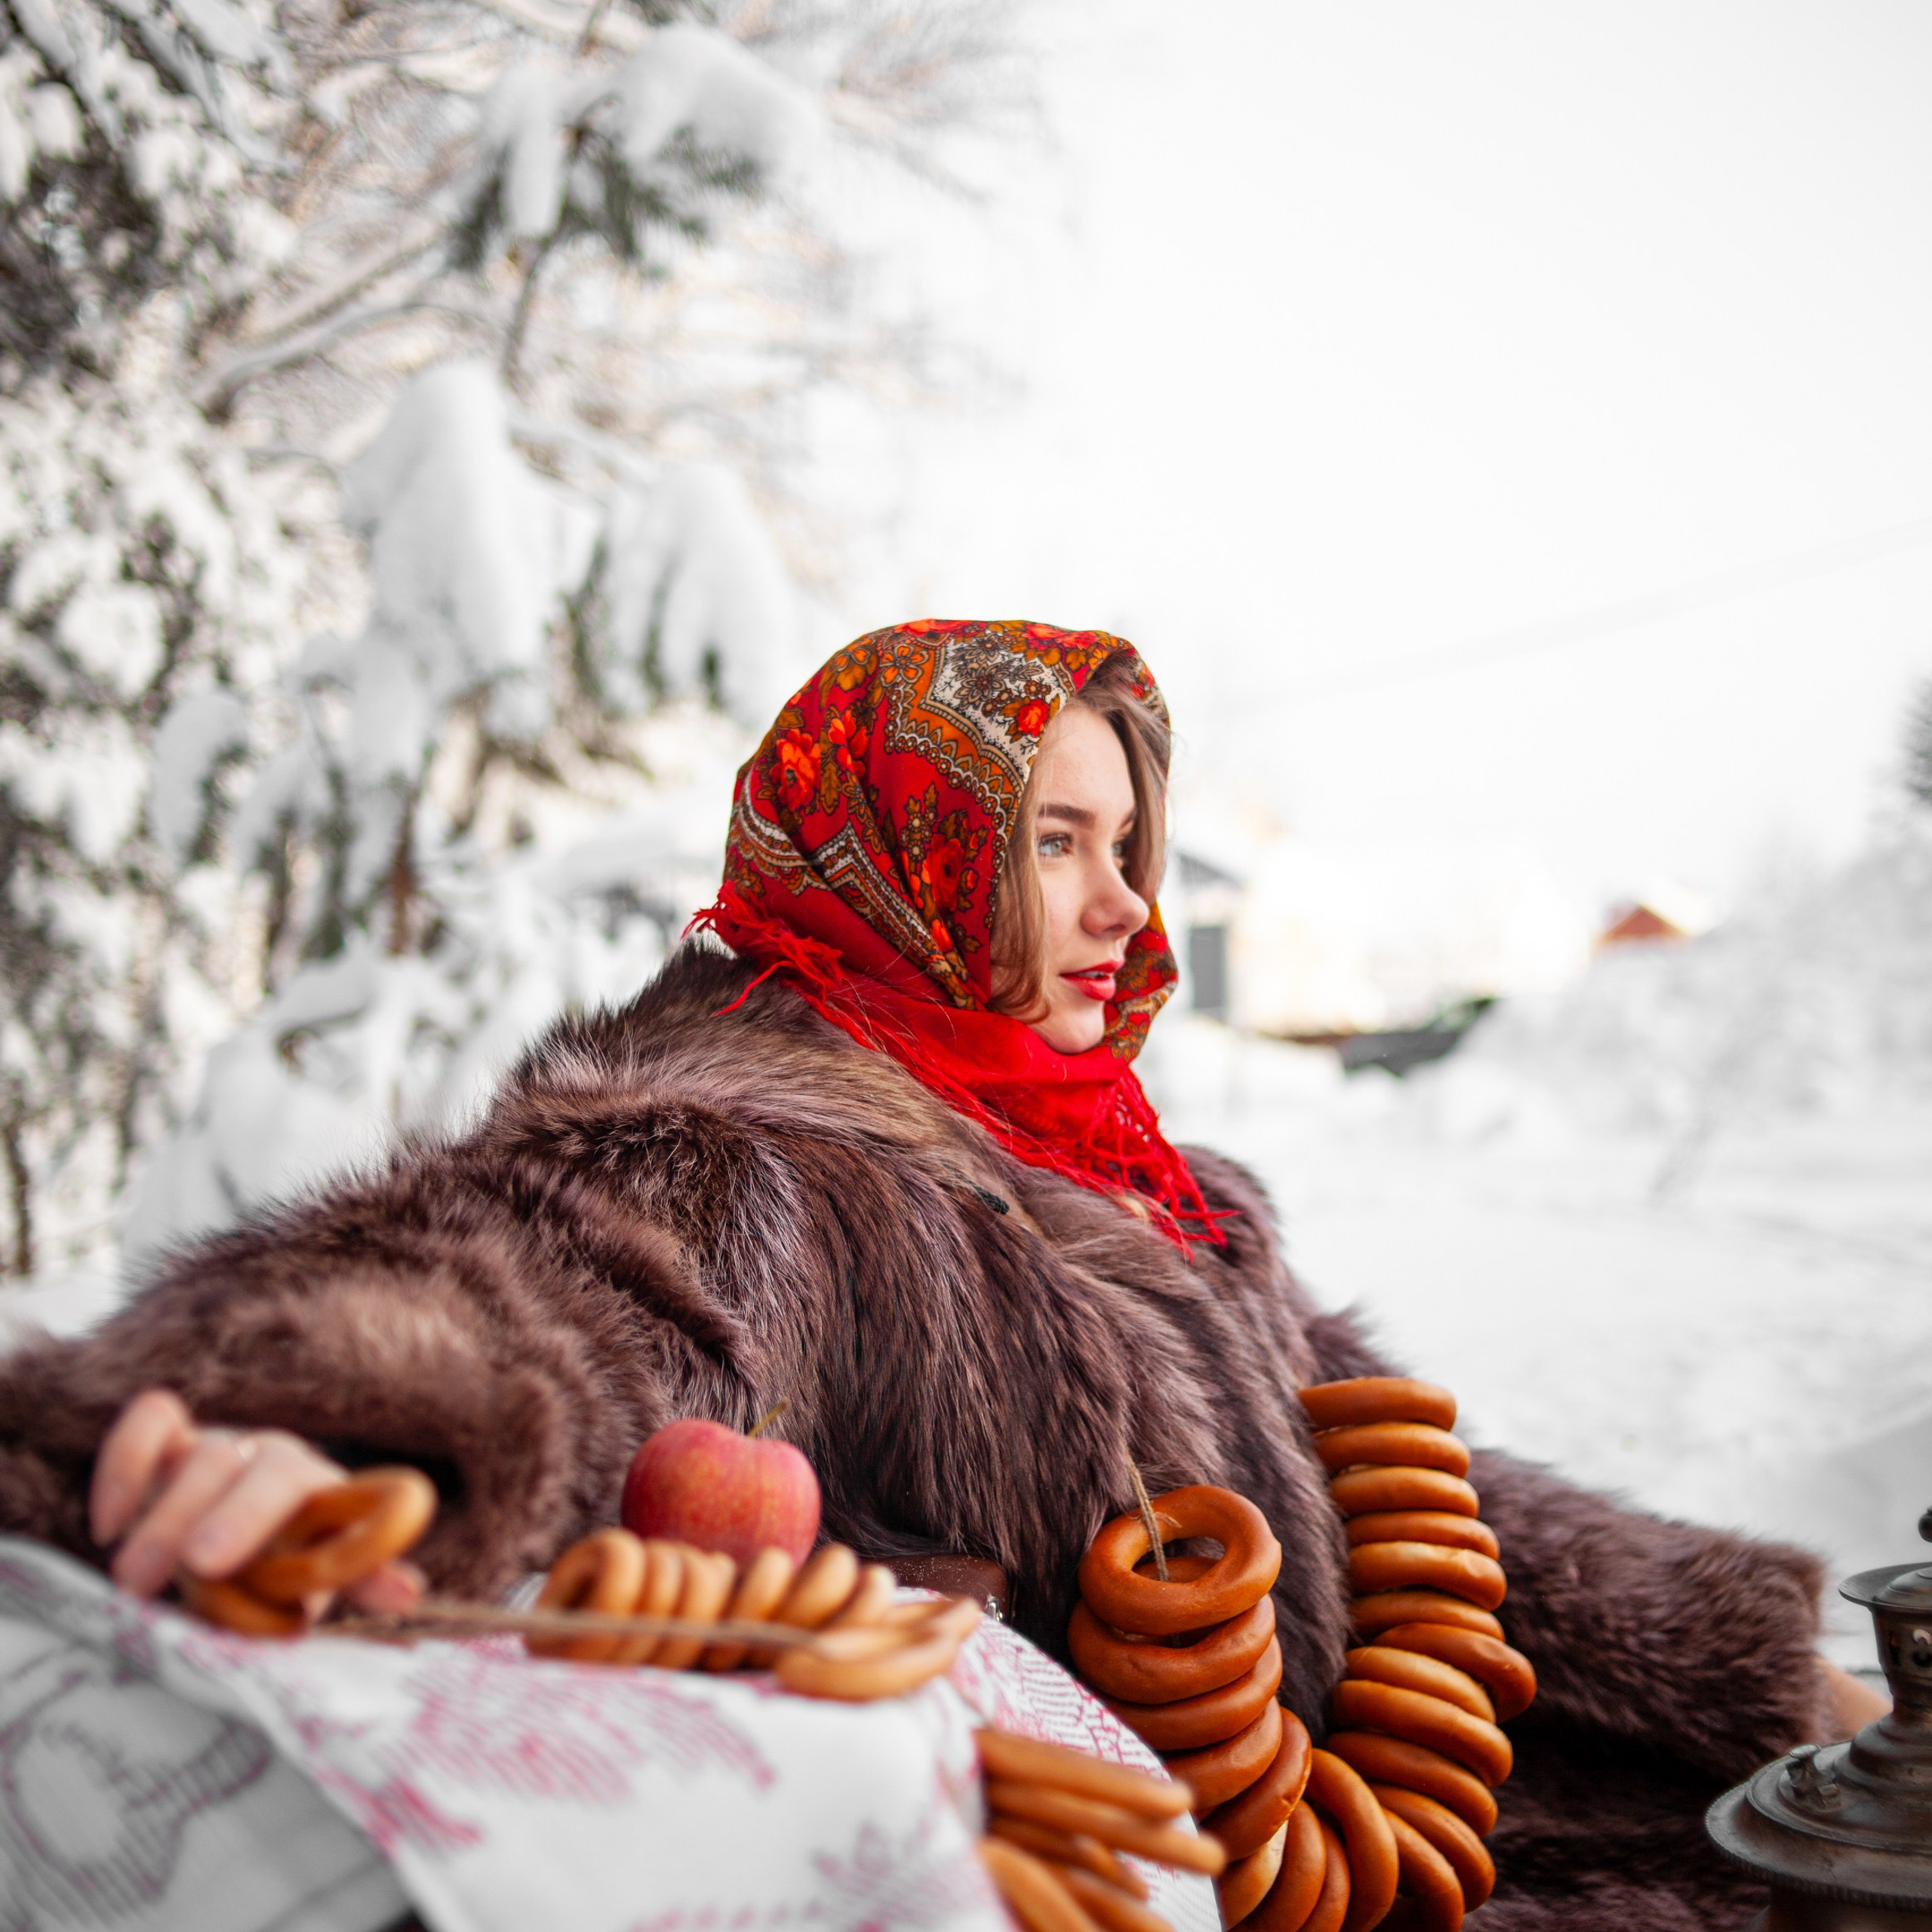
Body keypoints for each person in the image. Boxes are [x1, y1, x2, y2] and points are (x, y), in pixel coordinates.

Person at [0, 620, 1881, 1930]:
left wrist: (1754, 1665)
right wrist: (336, 1430)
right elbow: (542, 1278)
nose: (1125, 900)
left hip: (1410, 1838)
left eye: (1128, 840)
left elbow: (1405, 1504)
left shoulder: (1157, 1181)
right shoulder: (746, 1141)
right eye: (1051, 838)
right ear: (899, 839)